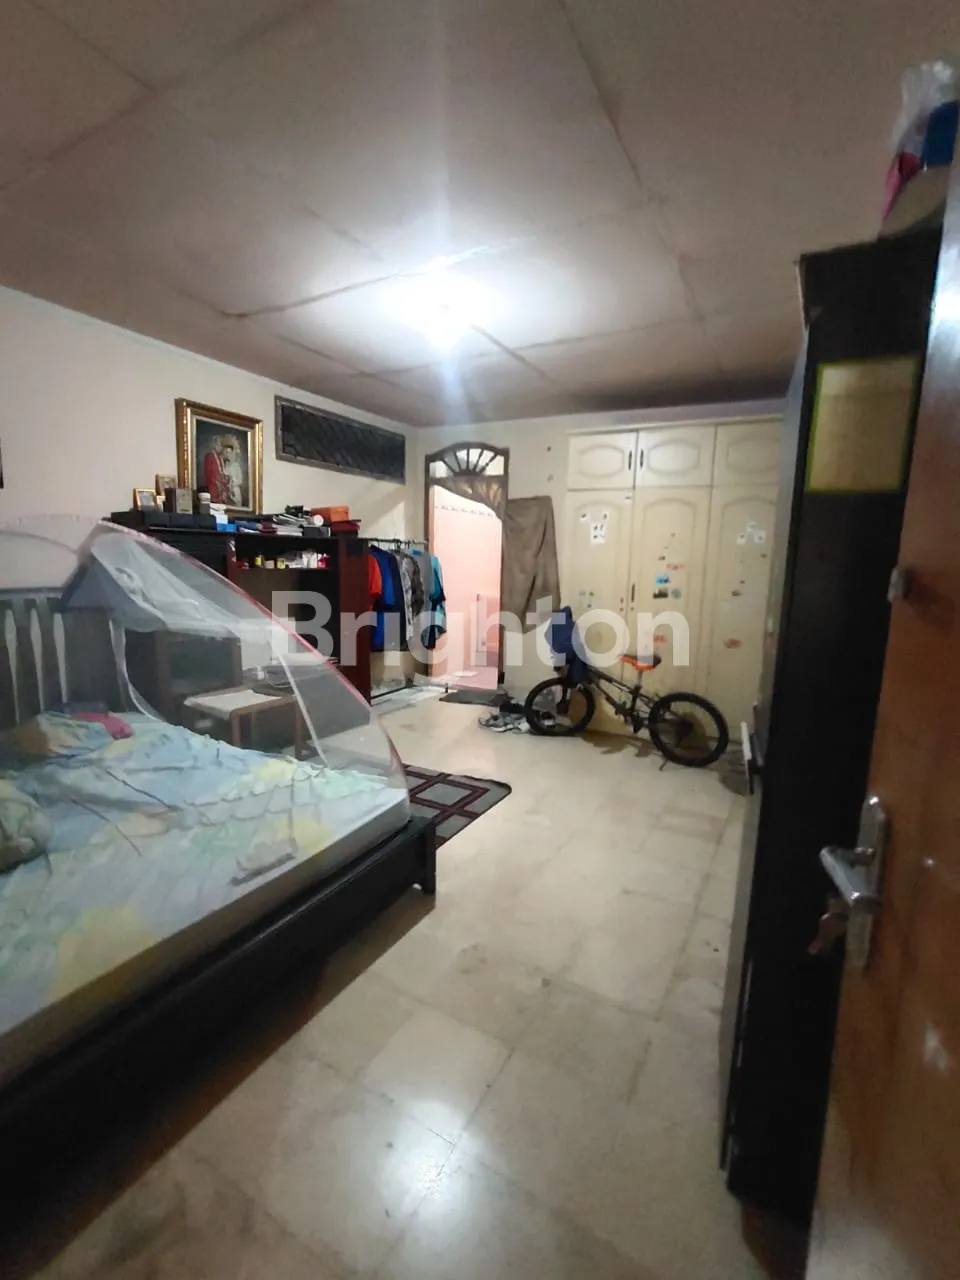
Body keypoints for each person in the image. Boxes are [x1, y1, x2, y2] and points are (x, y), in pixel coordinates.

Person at [202, 436, 232, 506]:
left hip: (221, 489)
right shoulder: (209, 456)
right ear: (214, 445)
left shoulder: (220, 458)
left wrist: (226, 479)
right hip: (213, 488)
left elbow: (222, 472)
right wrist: (219, 481)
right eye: (219, 445)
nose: (221, 448)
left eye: (221, 446)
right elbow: (209, 474)